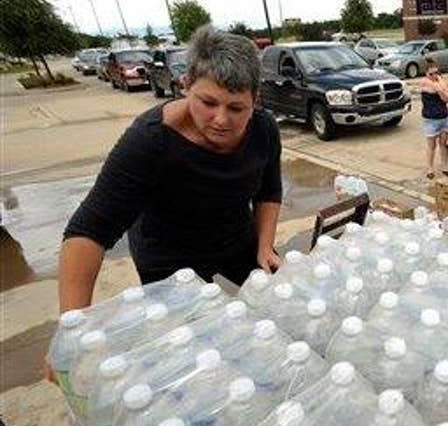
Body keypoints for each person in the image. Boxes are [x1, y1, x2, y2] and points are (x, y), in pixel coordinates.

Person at [58, 25, 283, 311]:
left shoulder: (263, 129)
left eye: (237, 108)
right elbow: (90, 229)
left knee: (274, 307)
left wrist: (265, 246)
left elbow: (269, 191)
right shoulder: (150, 140)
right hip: (168, 256)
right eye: (208, 102)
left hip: (236, 240)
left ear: (256, 100)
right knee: (190, 338)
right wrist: (71, 327)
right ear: (186, 85)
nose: (221, 119)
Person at [419, 59, 448, 179]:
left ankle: (445, 166)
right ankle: (430, 168)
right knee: (431, 145)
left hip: (443, 117)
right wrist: (439, 88)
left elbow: (447, 99)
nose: (434, 76)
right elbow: (428, 87)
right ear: (426, 74)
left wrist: (440, 89)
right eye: (430, 74)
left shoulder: (440, 83)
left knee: (443, 144)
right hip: (430, 120)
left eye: (436, 73)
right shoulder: (424, 83)